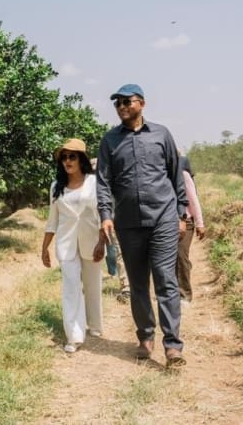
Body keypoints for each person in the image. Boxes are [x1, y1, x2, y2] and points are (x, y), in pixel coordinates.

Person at [96, 84, 189, 368]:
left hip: (163, 218)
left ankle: (172, 346)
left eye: (127, 102)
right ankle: (145, 337)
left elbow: (176, 175)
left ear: (142, 104)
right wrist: (105, 215)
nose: (122, 107)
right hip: (128, 222)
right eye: (118, 103)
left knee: (165, 280)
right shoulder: (110, 140)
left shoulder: (161, 134)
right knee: (137, 284)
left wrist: (181, 213)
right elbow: (103, 181)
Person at [42, 138, 103, 353]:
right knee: (71, 287)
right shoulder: (56, 187)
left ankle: (94, 324)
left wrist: (102, 241)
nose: (67, 161)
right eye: (64, 157)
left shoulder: (94, 183)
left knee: (92, 284)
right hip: (66, 244)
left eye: (72, 157)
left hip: (91, 241)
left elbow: (102, 214)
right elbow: (52, 220)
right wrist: (44, 248)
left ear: (81, 159)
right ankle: (74, 335)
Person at [91, 158, 131, 302]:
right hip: (100, 223)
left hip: (116, 221)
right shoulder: (90, 185)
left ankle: (127, 287)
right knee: (113, 254)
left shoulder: (111, 182)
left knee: (119, 253)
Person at [177, 155, 205, 303]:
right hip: (167, 223)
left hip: (186, 222)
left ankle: (185, 295)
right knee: (172, 258)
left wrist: (200, 223)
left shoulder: (183, 175)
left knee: (180, 256)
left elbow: (193, 200)